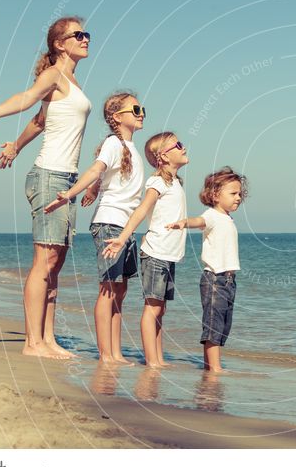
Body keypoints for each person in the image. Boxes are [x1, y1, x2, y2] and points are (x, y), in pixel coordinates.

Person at [0, 16, 93, 359]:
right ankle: (32, 343)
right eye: (77, 35)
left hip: (67, 179)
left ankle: (48, 339)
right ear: (59, 44)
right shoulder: (53, 75)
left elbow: (40, 120)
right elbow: (26, 98)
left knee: (55, 264)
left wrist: (15, 147)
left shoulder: (72, 81)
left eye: (86, 34)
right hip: (49, 176)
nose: (85, 39)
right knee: (44, 261)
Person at [45, 92, 145, 364]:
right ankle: (106, 354)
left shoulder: (131, 148)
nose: (141, 113)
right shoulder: (113, 143)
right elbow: (95, 170)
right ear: (116, 117)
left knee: (120, 291)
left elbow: (107, 178)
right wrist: (70, 193)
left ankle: (116, 351)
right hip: (110, 223)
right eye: (135, 108)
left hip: (126, 227)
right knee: (108, 289)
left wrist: (95, 188)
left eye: (142, 108)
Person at [102, 132, 189, 368]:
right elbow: (141, 211)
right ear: (162, 156)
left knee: (160, 309)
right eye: (178, 145)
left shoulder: (175, 182)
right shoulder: (157, 183)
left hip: (169, 255)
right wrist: (122, 238)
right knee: (152, 308)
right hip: (155, 253)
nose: (184, 147)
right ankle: (152, 360)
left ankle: (158, 357)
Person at [166, 167, 247, 373]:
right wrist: (184, 223)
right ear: (215, 195)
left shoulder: (227, 218)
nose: (238, 197)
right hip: (215, 279)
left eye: (240, 193)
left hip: (229, 280)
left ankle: (210, 366)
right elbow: (199, 221)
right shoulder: (211, 215)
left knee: (223, 325)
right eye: (233, 193)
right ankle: (215, 368)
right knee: (213, 323)